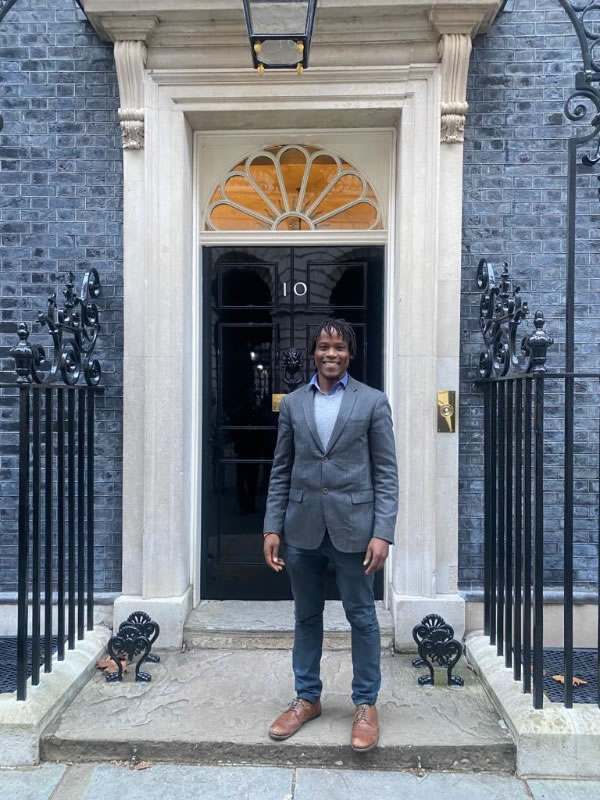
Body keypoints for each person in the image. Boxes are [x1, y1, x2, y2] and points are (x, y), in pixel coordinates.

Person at [263, 318, 398, 752]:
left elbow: (386, 474)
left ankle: (365, 705)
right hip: (302, 529)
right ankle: (306, 698)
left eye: (338, 347)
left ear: (350, 353)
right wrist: (271, 526)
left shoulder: (373, 402)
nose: (331, 354)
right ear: (314, 352)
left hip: (355, 531)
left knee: (362, 617)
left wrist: (383, 532)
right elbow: (281, 469)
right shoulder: (294, 404)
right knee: (306, 616)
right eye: (323, 346)